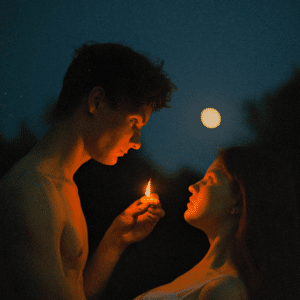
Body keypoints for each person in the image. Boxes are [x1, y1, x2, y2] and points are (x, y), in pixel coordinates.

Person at [0, 42, 176, 300]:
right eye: (134, 122)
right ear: (96, 101)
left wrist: (115, 240)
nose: (137, 141)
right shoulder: (29, 190)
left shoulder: (63, 186)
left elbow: (76, 291)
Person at [134, 145, 300, 300]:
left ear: (238, 200)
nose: (193, 187)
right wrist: (118, 239)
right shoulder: (200, 274)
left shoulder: (225, 289)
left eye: (210, 179)